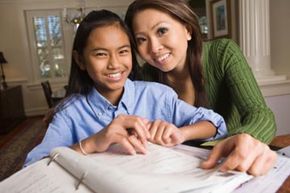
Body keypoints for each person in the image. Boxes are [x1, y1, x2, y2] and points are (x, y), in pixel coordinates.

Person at [24, 9, 227, 166]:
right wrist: (92, 143)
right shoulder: (70, 114)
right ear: (80, 60)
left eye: (123, 51)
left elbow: (216, 123)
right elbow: (33, 166)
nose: (114, 64)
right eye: (101, 54)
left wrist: (181, 133)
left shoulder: (156, 95)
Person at [125, 0, 277, 176]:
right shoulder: (145, 76)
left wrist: (247, 137)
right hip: (178, 170)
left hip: (230, 164)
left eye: (162, 31)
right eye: (142, 39)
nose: (154, 48)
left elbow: (259, 113)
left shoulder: (222, 53)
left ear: (187, 30)